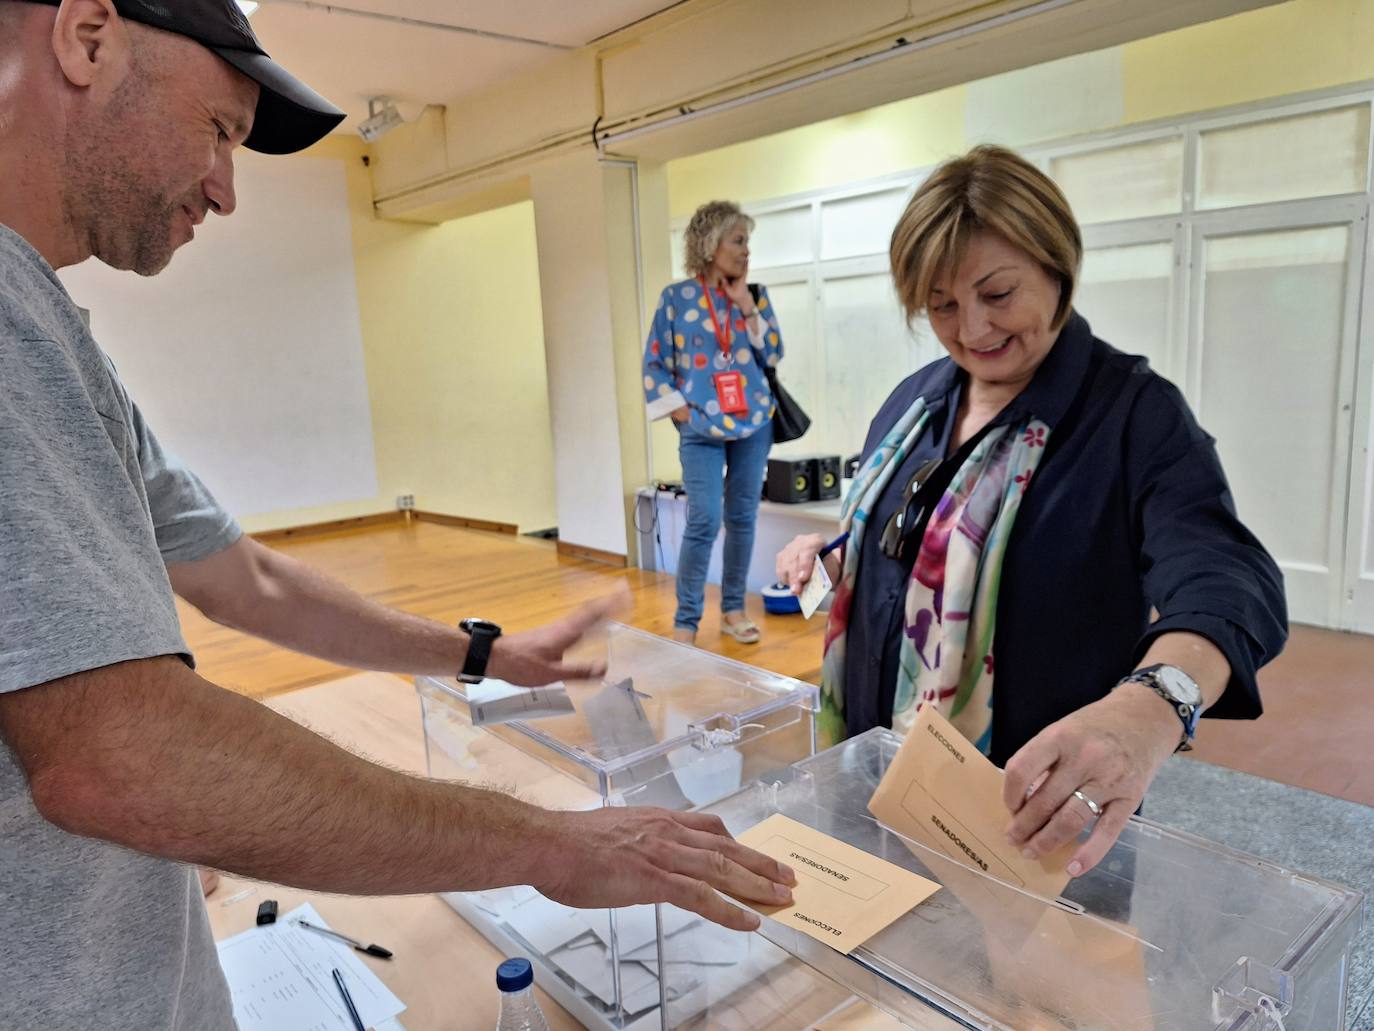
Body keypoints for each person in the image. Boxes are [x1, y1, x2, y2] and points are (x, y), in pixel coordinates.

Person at [0, 3, 796, 1028]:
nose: (225, 189)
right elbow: (118, 750)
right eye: (219, 130)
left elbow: (251, 579)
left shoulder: (51, 333)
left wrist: (483, 653)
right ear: (88, 34)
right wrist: (549, 842)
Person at [777, 144, 1286, 880]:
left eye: (998, 292)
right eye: (942, 305)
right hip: (878, 797)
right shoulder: (915, 402)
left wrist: (1147, 709)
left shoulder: (1132, 416)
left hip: (1032, 831)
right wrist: (839, 559)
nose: (972, 328)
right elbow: (914, 553)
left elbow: (1228, 579)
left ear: (1057, 268)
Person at [643, 201, 784, 646]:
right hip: (700, 426)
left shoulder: (754, 294)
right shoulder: (677, 298)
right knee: (704, 519)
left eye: (748, 242)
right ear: (710, 244)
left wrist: (746, 306)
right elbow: (655, 362)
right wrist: (679, 410)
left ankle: (733, 610)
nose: (746, 251)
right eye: (738, 241)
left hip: (753, 422)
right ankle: (686, 622)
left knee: (742, 517)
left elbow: (774, 353)